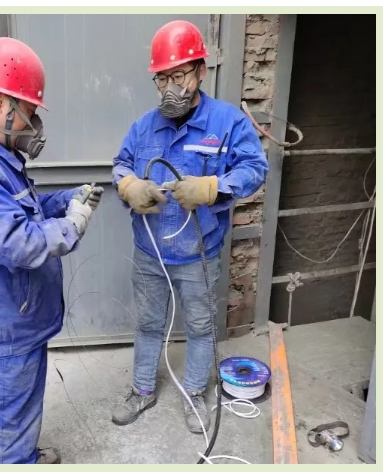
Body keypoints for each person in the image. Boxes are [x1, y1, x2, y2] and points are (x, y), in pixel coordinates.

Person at [0, 37, 104, 465]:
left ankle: (23, 457)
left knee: (19, 408)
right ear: (0, 102)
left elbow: (20, 212)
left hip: (15, 318)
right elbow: (18, 243)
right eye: (30, 111)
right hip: (4, 329)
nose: (35, 125)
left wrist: (65, 200)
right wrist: (72, 224)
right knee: (6, 423)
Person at [110, 20, 269, 433]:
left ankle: (195, 391)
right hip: (150, 251)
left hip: (199, 252)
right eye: (162, 78)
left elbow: (255, 168)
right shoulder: (144, 126)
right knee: (148, 324)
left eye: (178, 75)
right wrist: (128, 185)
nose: (170, 88)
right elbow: (121, 164)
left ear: (201, 70)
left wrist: (214, 187)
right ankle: (142, 390)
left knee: (200, 326)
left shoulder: (228, 123)